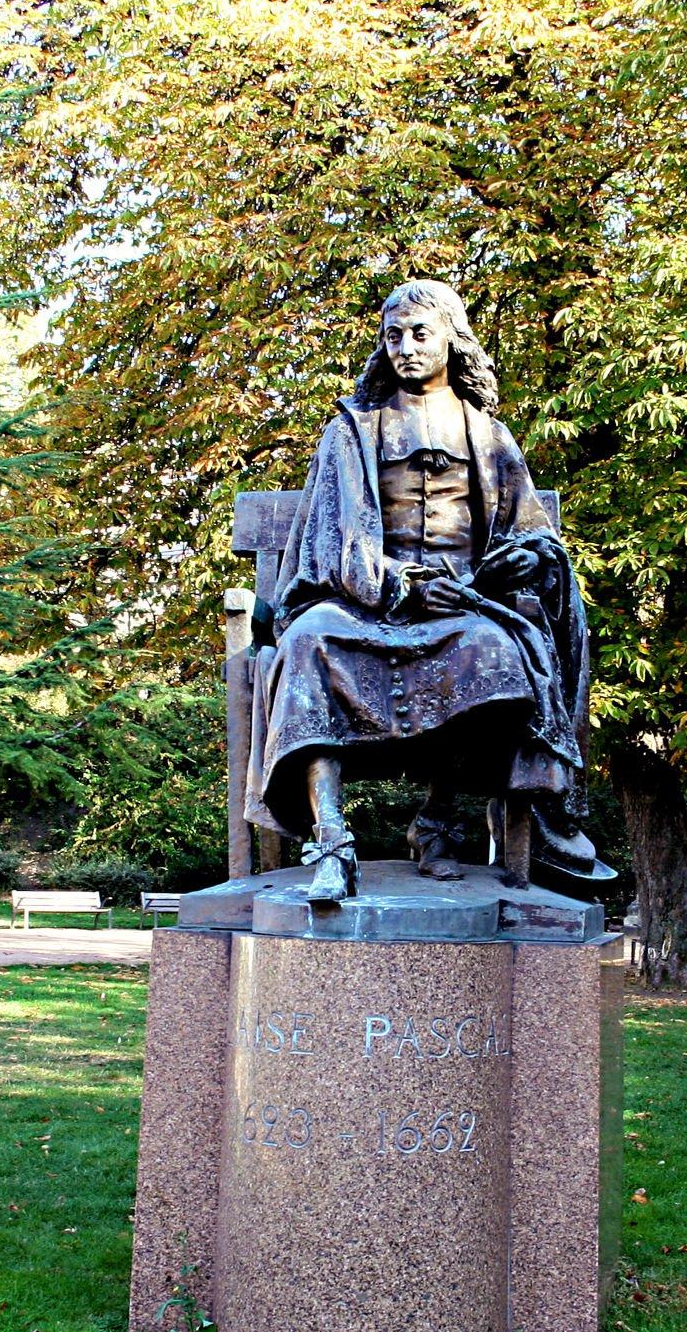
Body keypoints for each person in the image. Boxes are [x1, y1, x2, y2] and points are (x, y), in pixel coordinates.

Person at [247, 279, 599, 901]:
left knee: (498, 656)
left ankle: (437, 818)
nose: (404, 347)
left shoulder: (486, 434)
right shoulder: (353, 430)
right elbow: (332, 536)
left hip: (462, 606)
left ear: (451, 341)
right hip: (364, 601)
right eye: (393, 336)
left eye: (419, 333)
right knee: (307, 642)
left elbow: (529, 531)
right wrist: (392, 585)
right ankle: (332, 840)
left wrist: (519, 561)